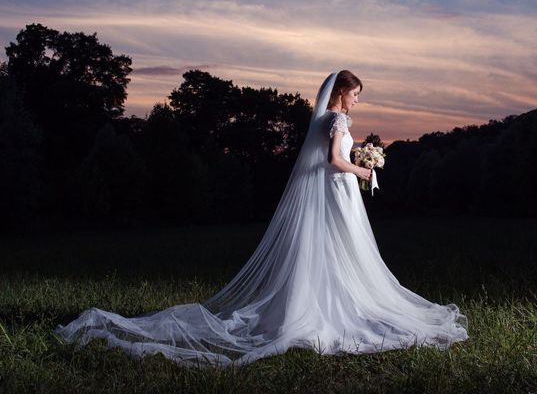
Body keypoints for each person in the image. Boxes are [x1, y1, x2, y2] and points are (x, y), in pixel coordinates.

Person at [54, 70, 469, 367]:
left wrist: (358, 161)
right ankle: (330, 309)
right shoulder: (340, 119)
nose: (358, 100)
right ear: (342, 93)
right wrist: (364, 169)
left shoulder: (324, 119)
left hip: (327, 192)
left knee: (324, 247)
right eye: (356, 94)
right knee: (341, 248)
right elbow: (333, 160)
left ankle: (312, 303)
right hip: (337, 190)